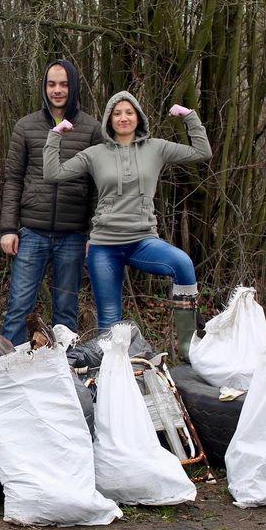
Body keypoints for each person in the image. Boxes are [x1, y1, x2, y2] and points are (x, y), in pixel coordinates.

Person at [42, 91, 211, 359]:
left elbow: (202, 151)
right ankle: (111, 377)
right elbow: (53, 173)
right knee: (110, 327)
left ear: (138, 117)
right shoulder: (95, 154)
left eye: (129, 112)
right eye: (117, 113)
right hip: (104, 247)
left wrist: (189, 117)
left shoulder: (157, 148)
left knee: (182, 264)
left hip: (143, 240)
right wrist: (55, 136)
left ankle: (188, 348)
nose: (123, 118)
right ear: (109, 120)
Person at [0, 59, 101, 343]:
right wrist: (8, 228)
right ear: (44, 87)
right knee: (19, 307)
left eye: (64, 84)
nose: (57, 90)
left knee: (66, 312)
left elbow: (97, 187)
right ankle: (8, 370)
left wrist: (93, 233)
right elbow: (13, 179)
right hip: (31, 232)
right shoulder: (26, 126)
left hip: (73, 235)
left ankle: (65, 372)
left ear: (74, 86)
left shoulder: (91, 129)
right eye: (51, 84)